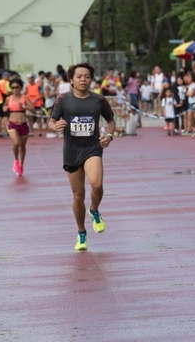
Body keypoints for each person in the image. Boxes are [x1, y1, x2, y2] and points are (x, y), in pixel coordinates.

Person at [48, 63, 116, 251]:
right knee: (78, 196)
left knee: (97, 184)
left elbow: (111, 121)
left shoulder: (99, 100)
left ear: (91, 79)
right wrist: (55, 126)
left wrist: (109, 136)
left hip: (92, 148)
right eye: (79, 76)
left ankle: (94, 210)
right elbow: (51, 121)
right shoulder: (63, 100)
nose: (83, 79)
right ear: (71, 80)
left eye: (86, 76)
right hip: (71, 151)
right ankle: (81, 233)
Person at [5, 78, 34, 176]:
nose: (15, 89)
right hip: (12, 124)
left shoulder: (25, 97)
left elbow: (33, 109)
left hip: (23, 124)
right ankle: (16, 160)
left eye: (17, 87)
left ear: (20, 87)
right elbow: (4, 107)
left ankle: (21, 164)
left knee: (22, 146)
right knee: (16, 143)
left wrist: (24, 106)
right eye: (13, 88)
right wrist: (5, 108)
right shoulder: (8, 98)